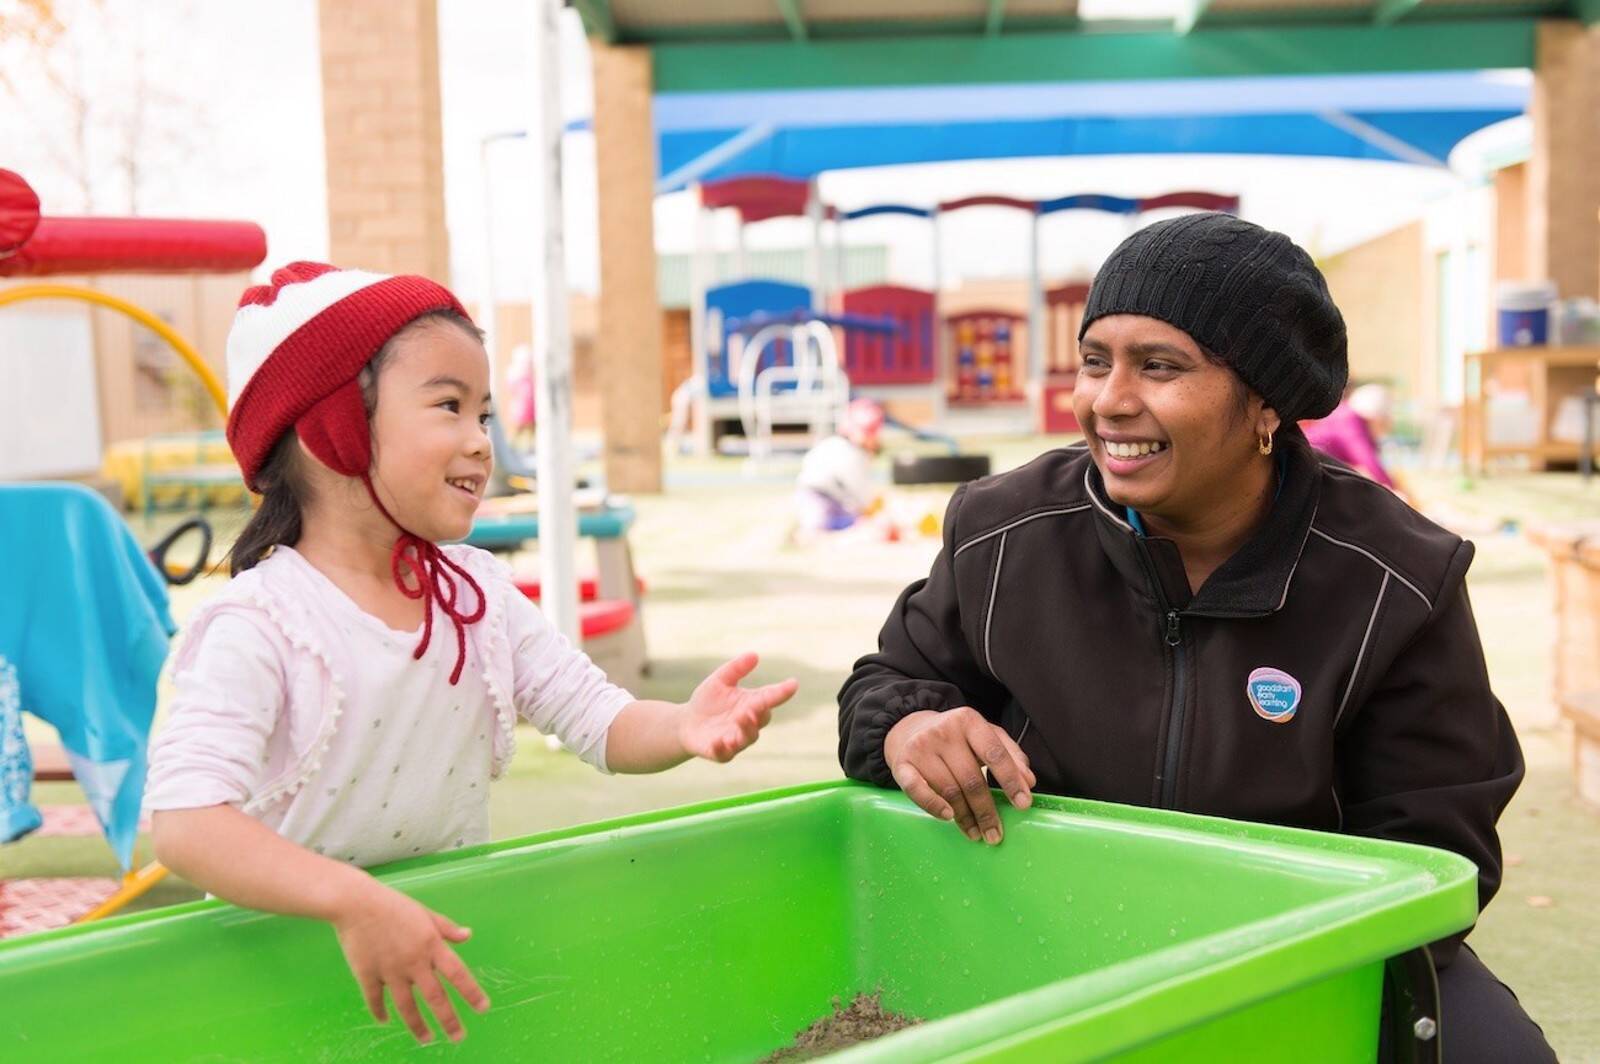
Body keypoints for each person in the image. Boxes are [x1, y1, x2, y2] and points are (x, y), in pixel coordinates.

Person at [837, 215, 1552, 1061]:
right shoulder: (1003, 531)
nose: (1109, 400)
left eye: (1160, 366)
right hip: (1035, 934)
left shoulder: (1396, 579)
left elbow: (1435, 849)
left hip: (1293, 961)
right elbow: (885, 684)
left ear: (1266, 403)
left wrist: (1232, 972)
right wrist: (911, 726)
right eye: (1095, 360)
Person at [146, 263, 797, 1046]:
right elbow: (185, 823)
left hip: (435, 960)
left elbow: (598, 719)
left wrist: (683, 726)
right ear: (332, 429)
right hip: (275, 993)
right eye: (449, 405)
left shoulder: (477, 593)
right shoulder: (263, 621)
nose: (481, 441)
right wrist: (352, 900)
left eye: (484, 413)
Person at [794, 397, 886, 534]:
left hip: (814, 496)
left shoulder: (833, 443)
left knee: (849, 519)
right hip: (818, 499)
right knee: (827, 526)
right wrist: (874, 509)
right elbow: (862, 494)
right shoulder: (852, 454)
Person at [1302, 380, 1408, 496]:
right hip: (1308, 465)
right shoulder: (1349, 419)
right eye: (1384, 421)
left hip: (1312, 464)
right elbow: (1368, 460)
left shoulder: (1346, 414)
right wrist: (1393, 489)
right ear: (1375, 417)